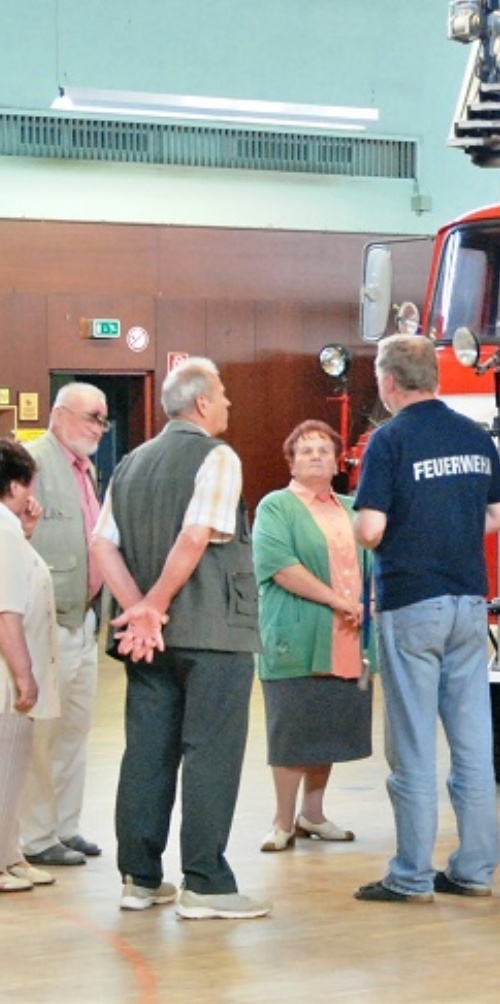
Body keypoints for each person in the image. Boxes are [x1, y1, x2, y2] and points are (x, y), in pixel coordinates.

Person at [90, 358, 270, 920]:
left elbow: (102, 546)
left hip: (149, 643)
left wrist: (138, 610)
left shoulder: (130, 463)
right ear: (200, 404)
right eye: (222, 395)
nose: (228, 404)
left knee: (147, 752)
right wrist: (155, 605)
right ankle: (206, 884)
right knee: (211, 752)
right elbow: (197, 536)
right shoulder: (217, 456)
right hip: (213, 633)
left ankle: (139, 879)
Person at [351, 334, 500, 903]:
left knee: (413, 745)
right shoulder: (474, 436)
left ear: (388, 382)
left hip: (411, 602)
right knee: (473, 744)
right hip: (470, 604)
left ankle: (410, 875)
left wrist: (389, 529)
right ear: (436, 378)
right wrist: (456, 525)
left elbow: (371, 528)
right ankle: (475, 869)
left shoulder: (388, 440)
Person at [253, 419, 372, 853]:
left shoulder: (353, 507)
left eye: (324, 449)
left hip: (349, 637)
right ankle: (282, 821)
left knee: (327, 727)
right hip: (297, 636)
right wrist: (340, 601)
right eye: (306, 450)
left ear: (338, 460)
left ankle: (313, 815)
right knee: (291, 729)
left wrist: (369, 605)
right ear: (291, 461)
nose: (316, 456)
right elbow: (281, 567)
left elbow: (373, 565)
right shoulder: (275, 507)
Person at [20, 383, 109, 869]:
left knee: (75, 729)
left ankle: (64, 826)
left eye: (102, 420)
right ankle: (35, 836)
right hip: (43, 621)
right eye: (90, 417)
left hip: (83, 619)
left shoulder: (86, 469)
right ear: (58, 414)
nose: (97, 427)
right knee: (42, 733)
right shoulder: (29, 462)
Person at [0, 441, 60, 893]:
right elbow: (7, 610)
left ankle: (10, 852)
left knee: (14, 769)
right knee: (6, 769)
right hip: (6, 677)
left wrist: (27, 530)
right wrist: (25, 675)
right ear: (18, 484)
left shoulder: (10, 528)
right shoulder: (2, 528)